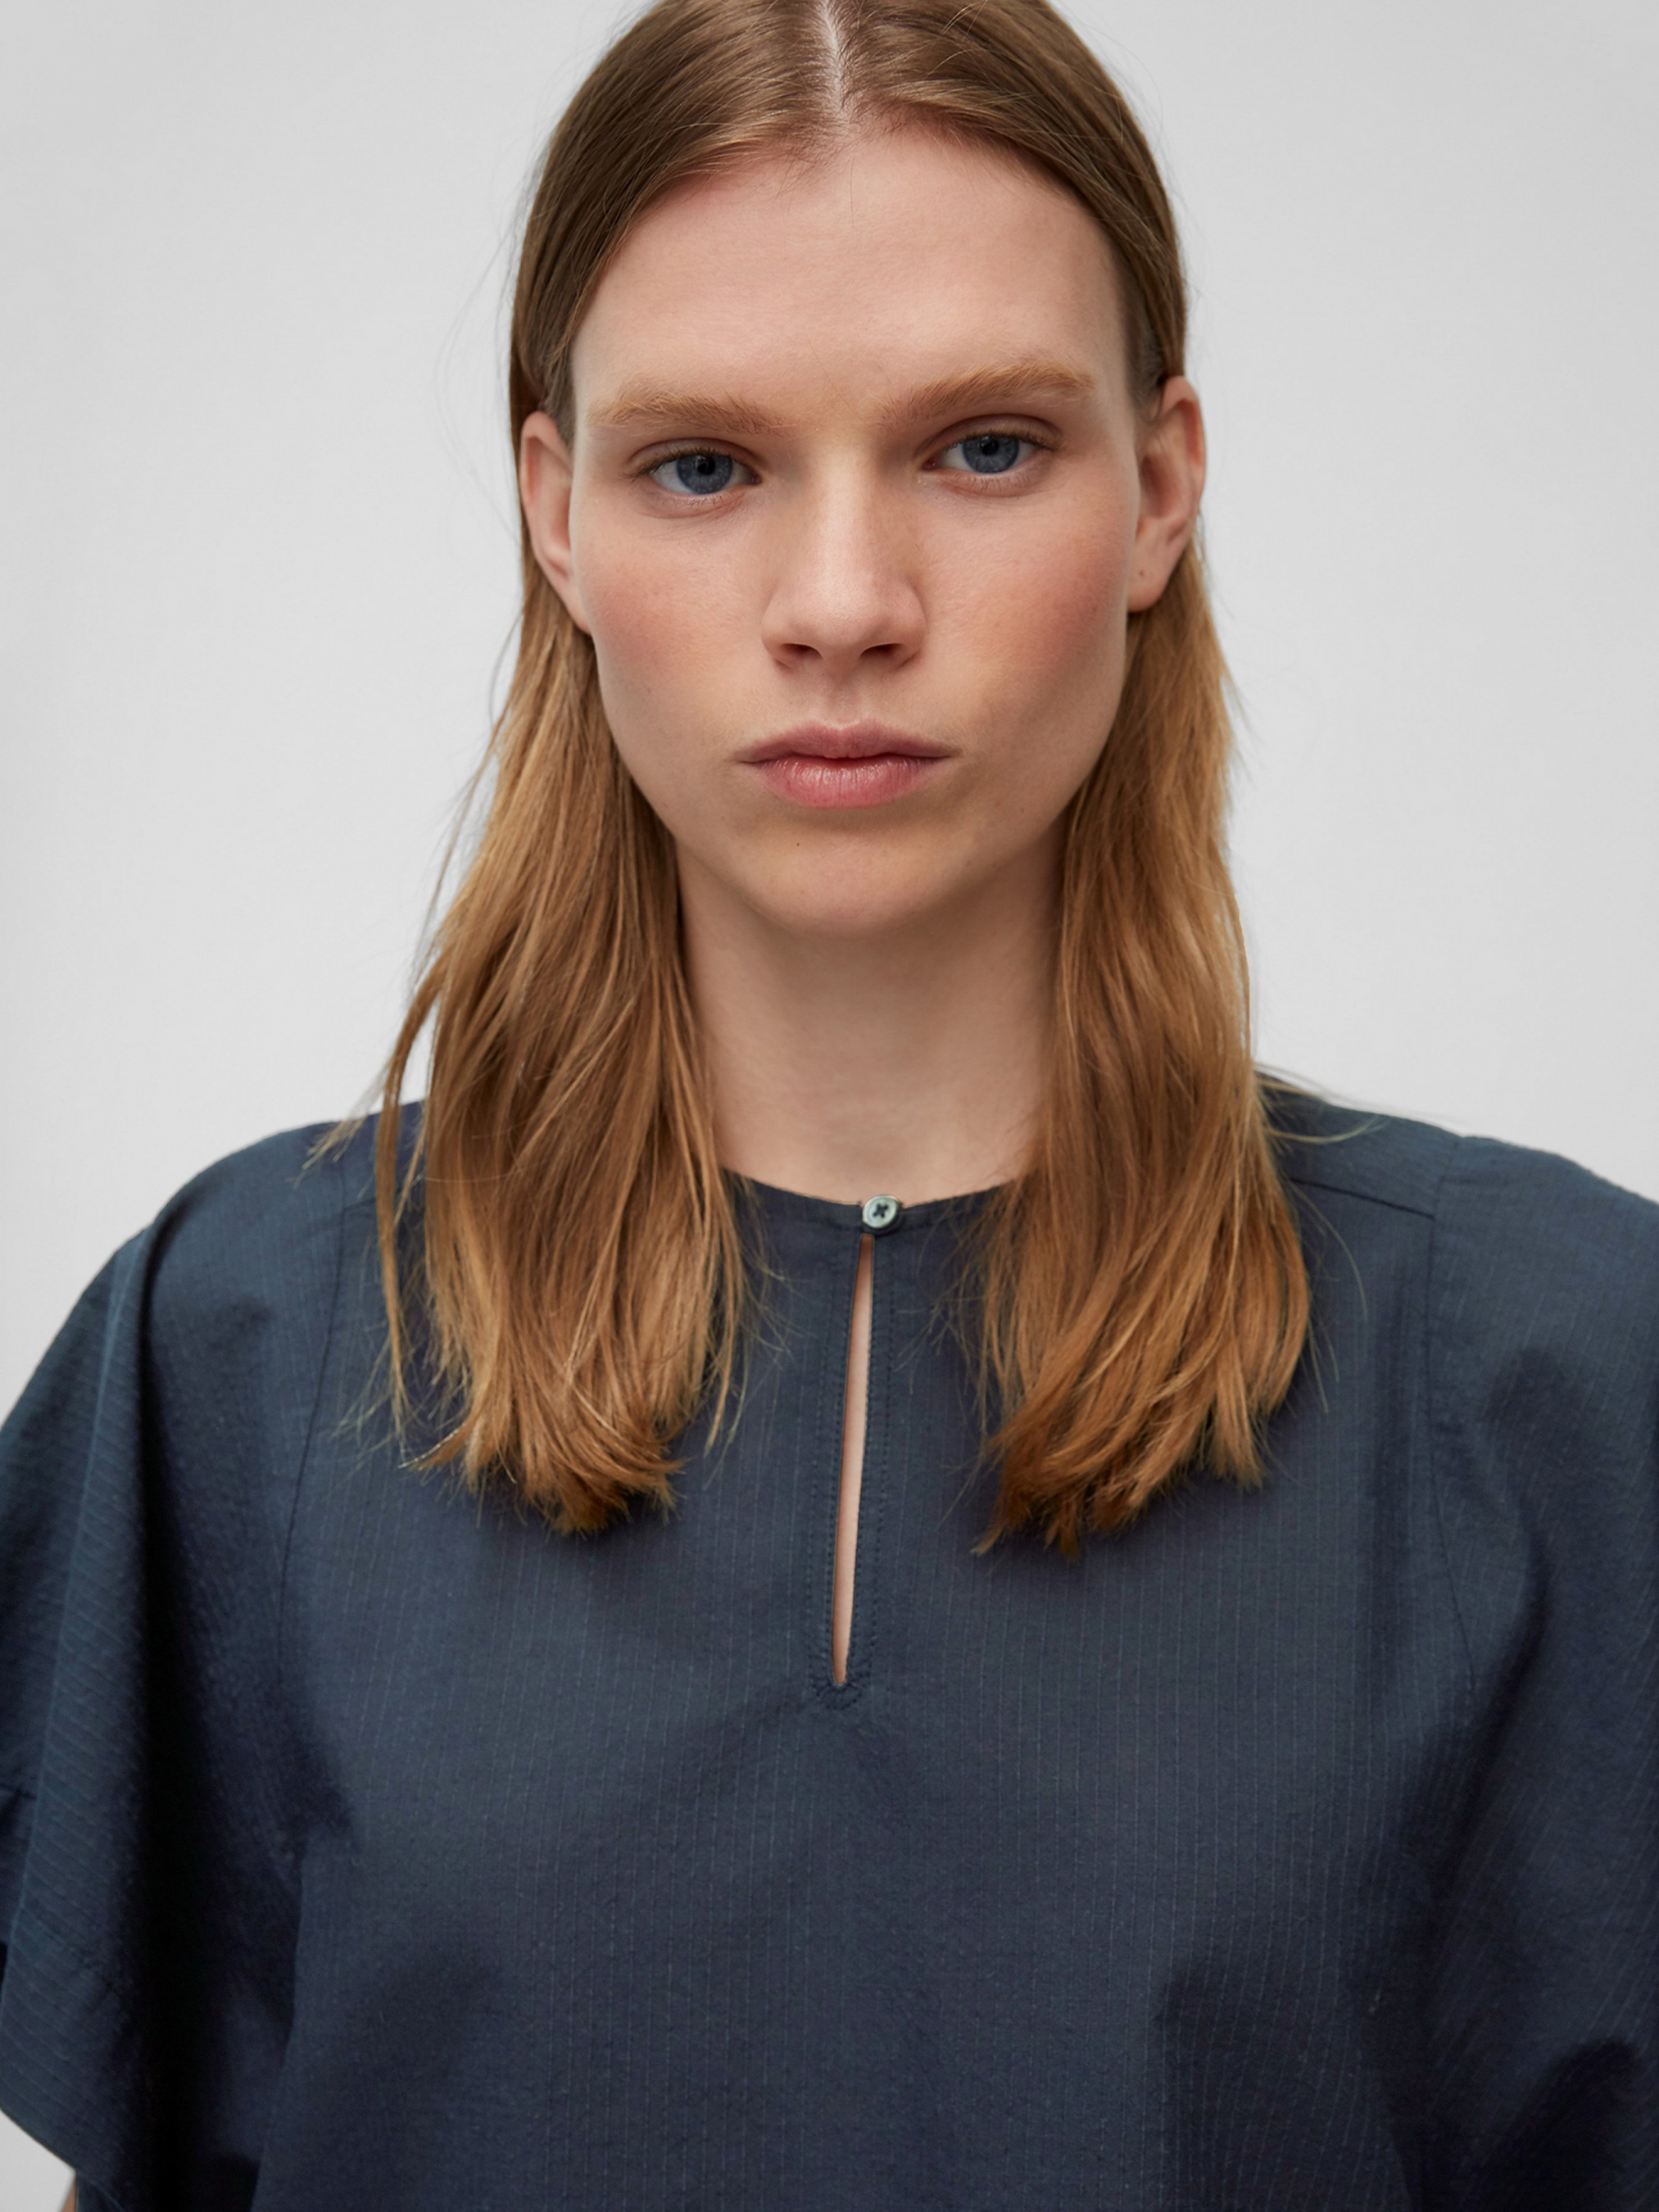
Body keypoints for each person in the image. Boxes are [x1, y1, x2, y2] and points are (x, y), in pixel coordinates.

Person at [3, 0, 1656, 2204]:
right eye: (704, 465)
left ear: (1160, 488)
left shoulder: (1565, 1379)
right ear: (554, 513)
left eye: (985, 447)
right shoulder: (238, 1356)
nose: (844, 605)